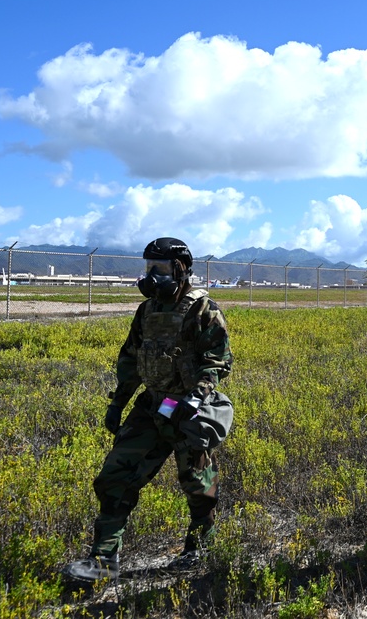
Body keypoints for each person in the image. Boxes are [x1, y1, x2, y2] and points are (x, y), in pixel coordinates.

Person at [62, 237, 234, 584]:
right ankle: (103, 559)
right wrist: (118, 402)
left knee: (199, 487)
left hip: (187, 411)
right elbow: (130, 359)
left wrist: (197, 397)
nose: (151, 276)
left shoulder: (204, 309)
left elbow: (218, 362)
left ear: (180, 269)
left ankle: (199, 549)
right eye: (147, 268)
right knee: (115, 477)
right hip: (153, 406)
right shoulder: (147, 310)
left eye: (158, 269)